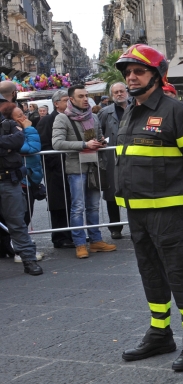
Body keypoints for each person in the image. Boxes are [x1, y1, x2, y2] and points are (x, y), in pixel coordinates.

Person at [114, 44, 183, 371]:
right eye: (128, 73)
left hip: (169, 211)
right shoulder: (131, 110)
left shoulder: (175, 111)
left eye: (138, 71)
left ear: (156, 75)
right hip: (137, 211)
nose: (131, 77)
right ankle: (160, 333)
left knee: (181, 274)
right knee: (151, 273)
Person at [52, 85, 118, 259]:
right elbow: (57, 143)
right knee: (78, 207)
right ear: (71, 99)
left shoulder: (94, 117)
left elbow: (99, 135)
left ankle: (96, 241)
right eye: (80, 96)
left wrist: (101, 142)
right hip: (76, 168)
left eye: (86, 96)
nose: (85, 99)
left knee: (94, 206)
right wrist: (84, 145)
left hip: (93, 166)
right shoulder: (62, 118)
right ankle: (80, 243)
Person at [0, 101, 43, 275]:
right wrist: (6, 147)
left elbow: (18, 140)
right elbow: (13, 142)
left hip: (9, 181)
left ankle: (29, 260)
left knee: (17, 223)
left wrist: (10, 146)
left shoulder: (8, 124)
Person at [38, 89, 74, 249]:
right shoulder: (47, 121)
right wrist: (55, 163)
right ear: (56, 103)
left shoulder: (72, 117)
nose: (69, 103)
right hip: (56, 169)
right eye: (66, 100)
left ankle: (73, 233)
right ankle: (60, 237)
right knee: (59, 203)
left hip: (72, 167)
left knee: (74, 202)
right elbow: (44, 145)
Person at [97, 82, 128, 239]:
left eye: (121, 91)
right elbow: (98, 132)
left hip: (132, 157)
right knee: (112, 193)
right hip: (112, 159)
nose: (119, 94)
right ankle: (115, 227)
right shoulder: (104, 112)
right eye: (116, 92)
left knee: (133, 191)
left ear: (127, 92)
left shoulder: (136, 109)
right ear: (111, 95)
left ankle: (137, 225)